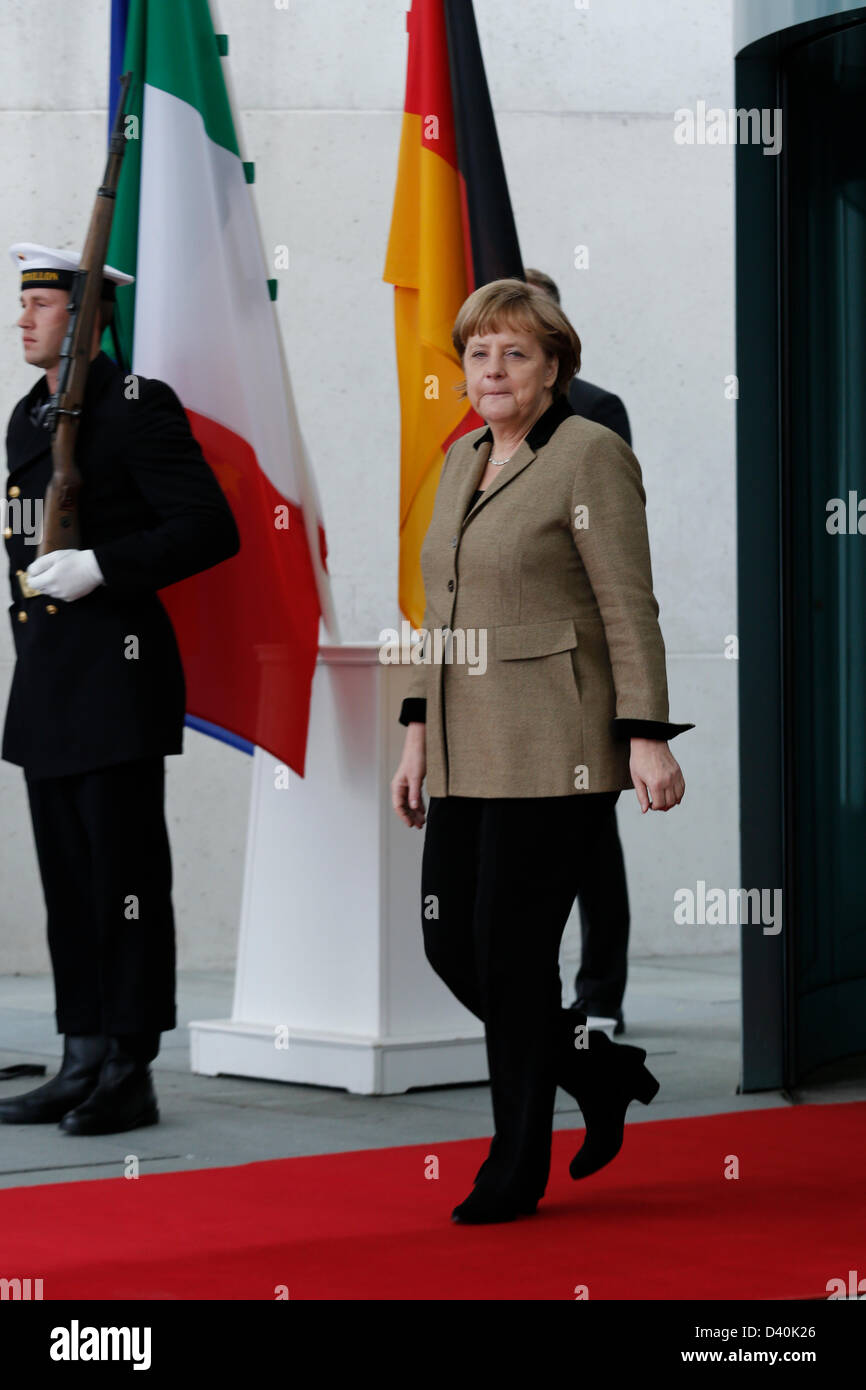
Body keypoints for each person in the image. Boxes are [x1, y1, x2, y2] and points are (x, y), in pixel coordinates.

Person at [391, 278, 694, 1224]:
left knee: (511, 957)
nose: (493, 369)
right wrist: (413, 733)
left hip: (554, 739)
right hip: (462, 740)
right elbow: (436, 608)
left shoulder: (591, 456)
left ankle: (514, 1166)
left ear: (554, 366)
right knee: (452, 946)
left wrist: (646, 736)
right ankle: (594, 1075)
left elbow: (627, 602)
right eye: (479, 352)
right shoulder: (461, 459)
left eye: (515, 353)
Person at [0, 243, 240, 1136]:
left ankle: (129, 1067)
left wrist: (103, 566)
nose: (23, 317)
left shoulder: (138, 406)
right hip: (49, 684)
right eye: (20, 302)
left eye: (42, 304)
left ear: (91, 316)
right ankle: (80, 1054)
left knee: (126, 881)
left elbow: (210, 529)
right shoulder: (28, 414)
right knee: (70, 882)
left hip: (120, 676)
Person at [525, 267, 633, 1035]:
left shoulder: (595, 415)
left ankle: (600, 995)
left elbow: (611, 551)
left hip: (572, 659)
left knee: (592, 843)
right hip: (496, 666)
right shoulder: (468, 422)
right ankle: (531, 998)